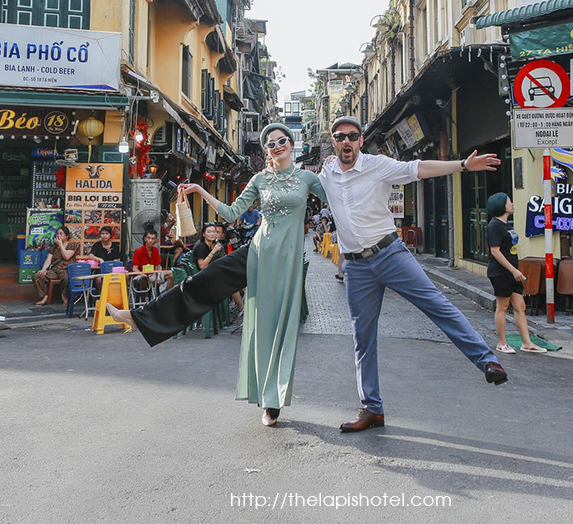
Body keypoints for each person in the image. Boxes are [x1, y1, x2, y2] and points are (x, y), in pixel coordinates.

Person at [115, 123, 327, 429]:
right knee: (203, 282)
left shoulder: (308, 177)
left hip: (287, 262)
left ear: (292, 145)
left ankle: (272, 402)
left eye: (282, 141)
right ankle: (141, 317)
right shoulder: (259, 179)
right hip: (257, 253)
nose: (277, 145)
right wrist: (200, 190)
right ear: (266, 150)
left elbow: (337, 197)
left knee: (277, 330)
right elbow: (231, 213)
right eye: (270, 143)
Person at [322, 116, 507, 434]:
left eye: (352, 136)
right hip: (355, 266)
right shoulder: (326, 172)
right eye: (340, 137)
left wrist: (462, 164)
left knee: (438, 305)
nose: (347, 142)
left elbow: (417, 168)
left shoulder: (378, 165)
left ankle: (487, 360)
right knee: (362, 339)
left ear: (361, 140)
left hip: (391, 253)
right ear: (334, 142)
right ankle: (372, 409)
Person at [485, 192, 545, 355]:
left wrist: (514, 270)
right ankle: (502, 342)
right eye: (509, 201)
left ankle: (527, 342)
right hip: (500, 272)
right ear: (501, 206)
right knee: (503, 306)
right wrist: (513, 270)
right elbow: (495, 252)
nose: (512, 203)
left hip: (512, 272)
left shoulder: (505, 225)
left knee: (520, 306)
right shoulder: (494, 226)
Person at [33, 226, 75, 305]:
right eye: (57, 233)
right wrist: (43, 269)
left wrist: (60, 245)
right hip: (55, 270)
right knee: (38, 276)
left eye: (61, 233)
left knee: (67, 278)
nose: (58, 235)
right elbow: (48, 260)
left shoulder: (72, 245)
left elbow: (67, 256)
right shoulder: (54, 247)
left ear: (67, 236)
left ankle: (64, 296)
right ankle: (45, 296)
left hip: (66, 269)